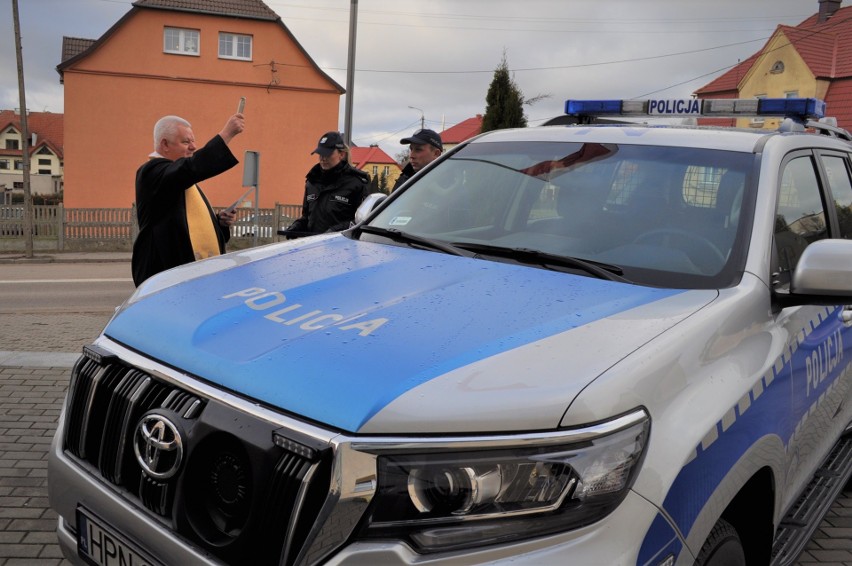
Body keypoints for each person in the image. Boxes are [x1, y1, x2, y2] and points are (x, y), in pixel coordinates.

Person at [131, 112, 245, 286]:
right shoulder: (152, 172)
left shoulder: (183, 180)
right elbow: (190, 169)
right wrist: (226, 135)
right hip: (164, 274)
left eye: (193, 141)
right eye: (186, 142)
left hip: (195, 275)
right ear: (165, 144)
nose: (193, 147)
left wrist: (220, 223)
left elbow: (191, 229)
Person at [284, 131, 370, 238]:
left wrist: (336, 231)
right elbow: (307, 217)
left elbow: (362, 221)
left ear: (341, 154)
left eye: (328, 154)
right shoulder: (312, 182)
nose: (323, 158)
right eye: (320, 154)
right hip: (312, 247)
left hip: (342, 249)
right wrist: (296, 226)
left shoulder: (356, 183)